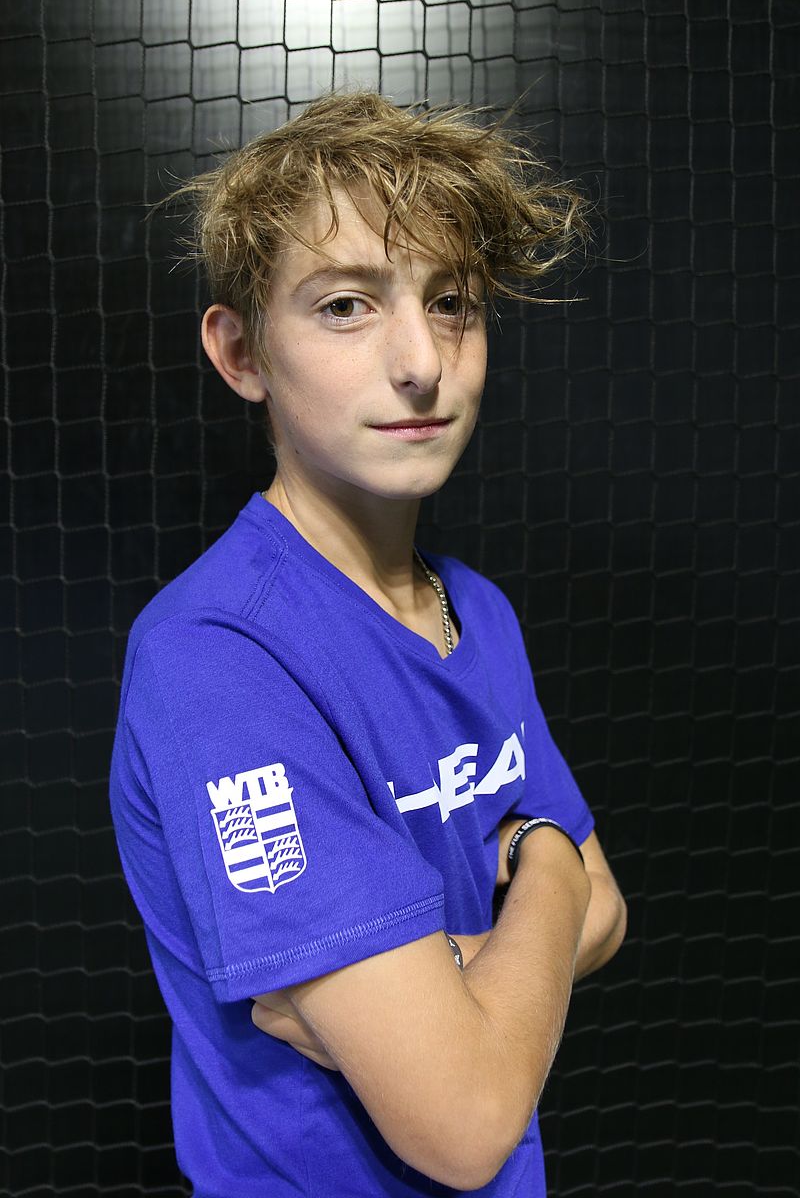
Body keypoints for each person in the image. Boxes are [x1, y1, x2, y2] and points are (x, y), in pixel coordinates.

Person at [109, 90, 627, 1197]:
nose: (420, 361)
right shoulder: (215, 657)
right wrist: (551, 864)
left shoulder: (476, 609)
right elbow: (463, 1119)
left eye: (451, 302)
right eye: (345, 305)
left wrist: (482, 940)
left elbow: (610, 910)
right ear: (241, 352)